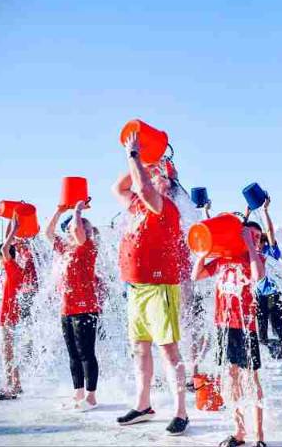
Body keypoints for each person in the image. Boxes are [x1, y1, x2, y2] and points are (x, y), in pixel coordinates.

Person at [112, 133, 189, 435]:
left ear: (168, 185)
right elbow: (119, 187)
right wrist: (144, 160)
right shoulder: (136, 205)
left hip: (160, 288)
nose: (155, 177)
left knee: (169, 351)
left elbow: (142, 186)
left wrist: (135, 156)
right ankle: (143, 404)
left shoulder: (165, 207)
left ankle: (181, 410)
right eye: (152, 172)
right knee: (140, 348)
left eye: (161, 175)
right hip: (136, 288)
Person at [192, 221, 268, 447]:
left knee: (251, 380)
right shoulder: (224, 259)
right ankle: (239, 431)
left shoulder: (255, 259)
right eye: (250, 235)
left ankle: (260, 436)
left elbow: (258, 277)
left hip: (246, 327)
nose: (254, 239)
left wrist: (251, 247)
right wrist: (203, 253)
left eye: (257, 236)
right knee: (231, 378)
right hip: (224, 326)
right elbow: (196, 275)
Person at [47, 200, 102, 411]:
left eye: (78, 227)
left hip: (85, 307)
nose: (72, 229)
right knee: (73, 354)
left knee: (87, 353)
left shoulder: (88, 246)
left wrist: (77, 210)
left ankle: (91, 397)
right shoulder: (65, 248)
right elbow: (48, 233)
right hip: (67, 308)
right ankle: (77, 393)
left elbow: (78, 231)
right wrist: (58, 210)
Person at [245, 195, 282, 371]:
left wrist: (264, 211)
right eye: (255, 238)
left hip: (274, 295)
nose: (258, 242)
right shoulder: (249, 255)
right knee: (261, 335)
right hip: (258, 298)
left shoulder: (270, 252)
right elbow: (242, 234)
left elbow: (270, 232)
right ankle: (275, 350)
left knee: (279, 327)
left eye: (261, 240)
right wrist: (246, 215)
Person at [0, 218, 26, 401]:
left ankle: (10, 387)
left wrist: (15, 229)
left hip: (8, 314)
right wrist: (11, 230)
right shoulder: (14, 268)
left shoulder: (11, 266)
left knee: (7, 351)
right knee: (9, 350)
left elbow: (5, 249)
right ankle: (16, 384)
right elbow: (7, 247)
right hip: (11, 313)